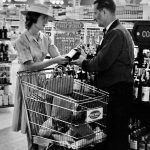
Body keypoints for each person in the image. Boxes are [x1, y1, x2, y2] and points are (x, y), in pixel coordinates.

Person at [71, 0, 134, 150]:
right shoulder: (119, 31)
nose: (94, 17)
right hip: (120, 91)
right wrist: (89, 59)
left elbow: (102, 63)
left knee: (115, 135)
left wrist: (84, 63)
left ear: (104, 11)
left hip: (116, 93)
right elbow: (106, 59)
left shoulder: (116, 33)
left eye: (95, 13)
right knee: (117, 133)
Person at [12, 3, 69, 150]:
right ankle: (32, 146)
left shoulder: (45, 38)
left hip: (42, 81)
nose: (46, 22)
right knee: (32, 118)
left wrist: (71, 58)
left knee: (43, 118)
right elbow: (30, 66)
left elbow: (58, 55)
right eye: (44, 18)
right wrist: (53, 61)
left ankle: (40, 146)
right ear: (34, 18)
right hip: (28, 81)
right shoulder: (21, 41)